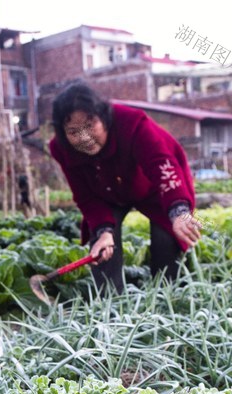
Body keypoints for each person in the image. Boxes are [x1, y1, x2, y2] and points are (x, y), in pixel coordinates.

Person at [48, 82, 201, 295]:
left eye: (90, 125)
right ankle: (111, 305)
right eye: (73, 131)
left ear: (103, 117)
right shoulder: (62, 149)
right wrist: (104, 231)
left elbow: (163, 167)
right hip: (107, 192)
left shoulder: (132, 123)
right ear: (63, 133)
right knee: (102, 246)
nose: (84, 138)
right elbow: (86, 197)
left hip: (153, 187)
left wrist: (178, 213)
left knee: (165, 237)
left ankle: (167, 298)